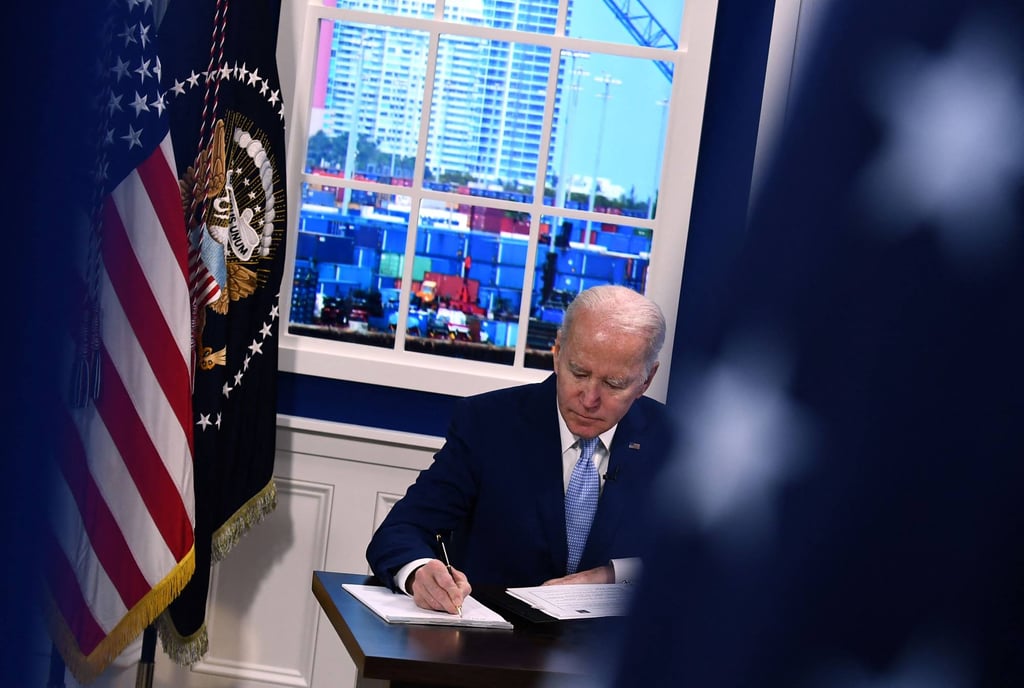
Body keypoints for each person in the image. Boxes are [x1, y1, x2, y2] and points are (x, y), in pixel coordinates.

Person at [366, 284, 673, 613]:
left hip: (608, 654)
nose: (589, 399)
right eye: (578, 373)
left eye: (614, 384)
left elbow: (698, 565)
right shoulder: (488, 424)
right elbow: (401, 530)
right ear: (557, 353)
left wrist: (614, 575)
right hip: (487, 648)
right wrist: (418, 572)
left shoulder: (675, 442)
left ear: (647, 379)